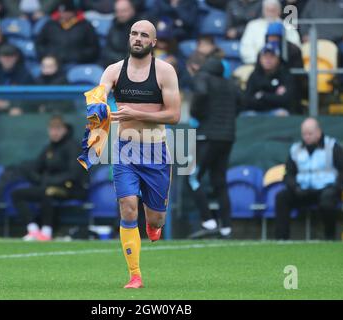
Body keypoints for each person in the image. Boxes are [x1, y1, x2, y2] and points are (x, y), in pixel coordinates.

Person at [100, 20, 181, 289]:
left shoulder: (165, 71)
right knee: (127, 206)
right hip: (125, 149)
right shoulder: (113, 70)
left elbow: (174, 115)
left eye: (144, 35)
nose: (137, 38)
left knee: (156, 217)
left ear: (153, 42)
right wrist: (97, 114)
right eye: (134, 33)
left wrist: (136, 113)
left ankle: (153, 226)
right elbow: (97, 102)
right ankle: (135, 275)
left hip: (156, 150)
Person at [187, 56, 240, 240]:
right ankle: (226, 227)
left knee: (192, 177)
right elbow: (242, 103)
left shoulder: (202, 77)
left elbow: (200, 94)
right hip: (227, 137)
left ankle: (208, 221)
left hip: (207, 135)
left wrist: (196, 113)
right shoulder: (230, 84)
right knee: (220, 181)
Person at [275, 118, 343, 240]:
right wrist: (295, 187)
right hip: (303, 190)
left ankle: (329, 237)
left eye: (310, 133)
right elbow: (288, 174)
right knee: (281, 197)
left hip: (325, 190)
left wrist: (337, 186)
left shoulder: (331, 146)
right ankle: (281, 239)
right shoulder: (296, 149)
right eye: (304, 134)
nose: (306, 137)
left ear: (318, 132)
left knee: (328, 200)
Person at [12, 116, 87, 241]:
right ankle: (33, 230)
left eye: (58, 129)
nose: (54, 132)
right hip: (47, 186)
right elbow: (36, 167)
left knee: (48, 192)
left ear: (65, 130)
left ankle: (47, 231)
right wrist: (35, 176)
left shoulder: (73, 147)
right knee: (17, 194)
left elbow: (74, 174)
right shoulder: (49, 148)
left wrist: (48, 181)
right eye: (52, 129)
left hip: (71, 189)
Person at [301, 0, 343, 90]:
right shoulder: (313, 2)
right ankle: (313, 88)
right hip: (319, 42)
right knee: (305, 52)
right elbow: (304, 20)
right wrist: (305, 35)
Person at [35, 0, 100, 65]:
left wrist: (79, 56)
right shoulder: (50, 24)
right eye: (61, 12)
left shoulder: (85, 26)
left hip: (77, 63)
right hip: (54, 64)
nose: (63, 14)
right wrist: (49, 55)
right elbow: (39, 44)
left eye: (66, 12)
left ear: (73, 12)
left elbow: (93, 48)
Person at [241, 42, 295, 116]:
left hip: (276, 111)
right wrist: (274, 96)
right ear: (260, 59)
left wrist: (262, 95)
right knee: (246, 115)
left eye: (272, 56)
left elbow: (286, 99)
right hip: (256, 111)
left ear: (278, 59)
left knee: (282, 114)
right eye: (265, 56)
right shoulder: (254, 75)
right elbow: (247, 100)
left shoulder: (285, 74)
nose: (268, 60)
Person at [240, 0, 301, 64]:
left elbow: (296, 49)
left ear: (279, 11)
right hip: (255, 65)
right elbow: (245, 49)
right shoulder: (252, 26)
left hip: (283, 66)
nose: (270, 13)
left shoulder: (288, 27)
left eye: (273, 10)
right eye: (268, 10)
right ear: (263, 11)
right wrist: (263, 61)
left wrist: (277, 61)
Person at [101, 0, 139, 67]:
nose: (120, 14)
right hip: (114, 65)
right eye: (117, 11)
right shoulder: (113, 26)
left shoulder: (140, 28)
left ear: (133, 10)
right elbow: (107, 51)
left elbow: (136, 54)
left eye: (124, 11)